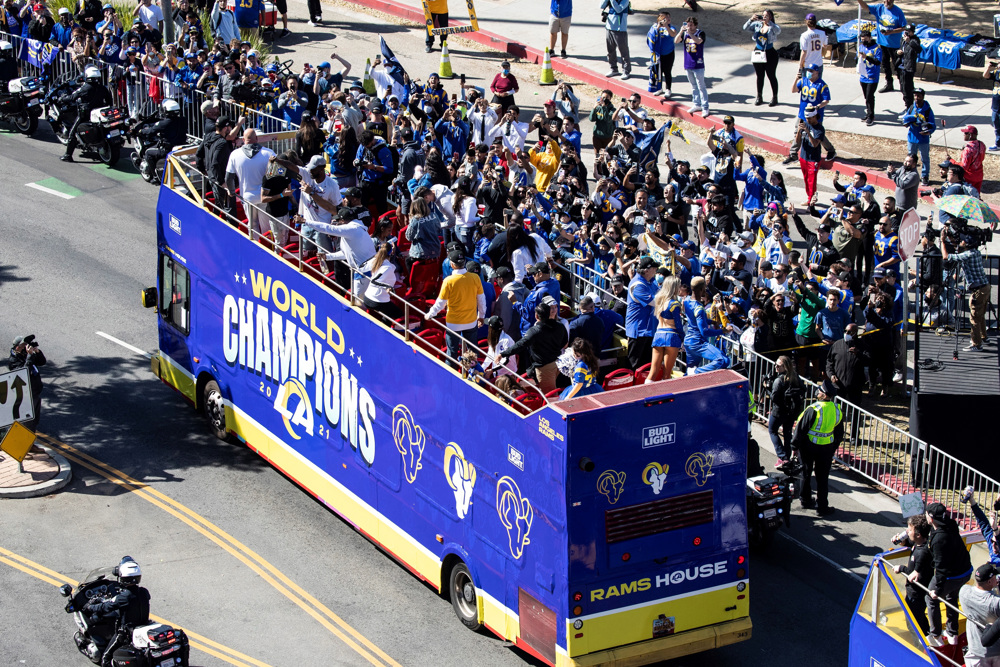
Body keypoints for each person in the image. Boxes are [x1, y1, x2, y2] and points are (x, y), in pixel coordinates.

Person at [84, 556, 151, 667]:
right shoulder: (144, 592)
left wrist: (91, 607)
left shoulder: (124, 597)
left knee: (105, 658)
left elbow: (106, 607)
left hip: (125, 634)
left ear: (123, 577)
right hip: (142, 629)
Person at [924, 502, 974, 646]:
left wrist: (937, 590)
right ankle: (953, 633)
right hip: (965, 571)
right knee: (952, 597)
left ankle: (936, 635)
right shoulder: (950, 524)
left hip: (952, 575)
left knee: (931, 598)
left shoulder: (939, 540)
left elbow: (941, 568)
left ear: (931, 517)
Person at [791, 378, 842, 515]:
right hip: (826, 449)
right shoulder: (837, 410)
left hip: (808, 447)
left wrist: (794, 447)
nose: (817, 391)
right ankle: (822, 507)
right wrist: (832, 448)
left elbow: (800, 430)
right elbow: (839, 433)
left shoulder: (813, 409)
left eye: (820, 391)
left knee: (806, 474)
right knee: (822, 478)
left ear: (824, 395)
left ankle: (806, 500)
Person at [427, 250, 487, 360]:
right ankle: (476, 375)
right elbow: (481, 300)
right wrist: (481, 316)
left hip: (453, 323)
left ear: (452, 264)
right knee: (473, 352)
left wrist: (430, 314)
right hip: (471, 321)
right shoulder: (475, 278)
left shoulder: (448, 281)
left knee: (452, 353)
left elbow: (440, 303)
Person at [500, 302, 568, 394]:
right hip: (557, 363)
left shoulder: (535, 331)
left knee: (550, 395)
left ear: (536, 316)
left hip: (545, 368)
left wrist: (502, 354)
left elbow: (520, 345)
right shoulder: (560, 326)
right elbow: (564, 344)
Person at [940, 227, 989, 351]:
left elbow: (946, 257)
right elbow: (961, 251)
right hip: (985, 287)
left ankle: (976, 344)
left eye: (963, 241)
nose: (961, 242)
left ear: (967, 244)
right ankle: (983, 336)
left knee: (974, 318)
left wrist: (942, 241)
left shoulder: (967, 255)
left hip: (978, 290)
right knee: (981, 314)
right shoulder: (976, 252)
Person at [226, 129, 276, 238]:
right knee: (267, 227)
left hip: (247, 196)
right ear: (256, 138)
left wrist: (231, 191)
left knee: (252, 225)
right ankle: (268, 248)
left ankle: (255, 249)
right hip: (265, 195)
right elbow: (277, 175)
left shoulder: (234, 154)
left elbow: (228, 177)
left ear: (243, 140)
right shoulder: (268, 153)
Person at [892, 515, 933, 637]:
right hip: (916, 592)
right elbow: (910, 542)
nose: (907, 532)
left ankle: (921, 641)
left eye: (909, 530)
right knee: (918, 617)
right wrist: (901, 540)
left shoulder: (922, 553)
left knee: (914, 621)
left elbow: (912, 573)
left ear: (918, 534)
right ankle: (926, 634)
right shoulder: (921, 544)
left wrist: (900, 568)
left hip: (916, 593)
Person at [60, 65, 112, 162]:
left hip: (86, 114)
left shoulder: (85, 88)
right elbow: (110, 100)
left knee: (72, 133)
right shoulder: (103, 88)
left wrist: (63, 98)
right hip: (100, 114)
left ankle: (68, 155)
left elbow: (72, 97)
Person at [683, 276, 731, 374]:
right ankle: (697, 373)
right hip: (698, 342)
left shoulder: (687, 300)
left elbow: (693, 319)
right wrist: (724, 330)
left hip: (689, 341)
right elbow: (704, 332)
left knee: (689, 370)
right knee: (723, 360)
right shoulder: (699, 309)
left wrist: (710, 321)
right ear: (701, 289)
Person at [857, 0, 905, 93]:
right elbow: (866, 7)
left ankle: (903, 86)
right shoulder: (879, 8)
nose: (887, 1)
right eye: (886, 0)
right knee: (885, 65)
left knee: (897, 66)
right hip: (882, 43)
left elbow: (903, 27)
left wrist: (891, 32)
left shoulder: (898, 11)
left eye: (889, 0)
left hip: (894, 44)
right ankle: (889, 84)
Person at [960, 563, 1000, 665]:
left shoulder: (964, 592)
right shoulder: (995, 603)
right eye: (996, 578)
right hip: (997, 650)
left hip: (976, 650)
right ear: (990, 581)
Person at [768, 354, 803, 466]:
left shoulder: (779, 381)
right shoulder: (796, 377)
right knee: (787, 434)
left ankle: (782, 456)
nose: (776, 368)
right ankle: (787, 457)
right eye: (775, 365)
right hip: (791, 412)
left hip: (779, 412)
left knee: (772, 430)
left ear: (785, 367)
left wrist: (767, 388)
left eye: (778, 366)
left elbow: (774, 397)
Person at [648, 275, 684, 382]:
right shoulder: (675, 304)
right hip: (671, 337)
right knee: (667, 375)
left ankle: (644, 393)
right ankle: (665, 398)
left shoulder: (659, 301)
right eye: (678, 286)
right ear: (674, 287)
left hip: (658, 335)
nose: (680, 288)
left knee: (652, 373)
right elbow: (678, 324)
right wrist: (683, 338)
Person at [626, 256, 658, 369]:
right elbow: (657, 302)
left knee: (647, 366)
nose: (656, 270)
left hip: (648, 330)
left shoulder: (650, 282)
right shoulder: (637, 285)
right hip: (638, 331)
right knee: (635, 366)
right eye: (654, 268)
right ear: (647, 270)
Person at [743, 10, 781, 107]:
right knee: (760, 76)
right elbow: (745, 28)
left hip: (770, 53)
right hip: (758, 52)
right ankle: (759, 96)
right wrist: (751, 19)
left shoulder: (772, 27)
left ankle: (775, 97)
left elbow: (778, 30)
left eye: (766, 16)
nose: (764, 17)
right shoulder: (757, 25)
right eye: (763, 15)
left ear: (771, 17)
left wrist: (770, 23)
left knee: (771, 76)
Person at [8, 334, 45, 431]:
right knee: (28, 422)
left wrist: (37, 352)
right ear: (17, 347)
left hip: (35, 393)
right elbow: (24, 373)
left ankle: (31, 443)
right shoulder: (13, 360)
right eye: (23, 345)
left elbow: (42, 362)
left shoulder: (25, 355)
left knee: (35, 420)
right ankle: (26, 445)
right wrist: (29, 356)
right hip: (26, 396)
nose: (26, 346)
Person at [825, 322, 868, 404]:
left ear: (855, 333)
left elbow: (869, 361)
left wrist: (858, 353)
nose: (846, 334)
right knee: (836, 408)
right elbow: (829, 362)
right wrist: (831, 375)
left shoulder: (862, 345)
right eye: (845, 331)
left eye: (849, 332)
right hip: (838, 384)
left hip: (855, 385)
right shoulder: (837, 345)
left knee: (855, 408)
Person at [901, 88, 935, 185]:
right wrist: (906, 123)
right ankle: (911, 174)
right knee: (911, 158)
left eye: (919, 96)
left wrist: (928, 132)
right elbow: (905, 120)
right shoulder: (911, 108)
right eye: (915, 95)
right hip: (912, 138)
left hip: (923, 139)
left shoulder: (927, 110)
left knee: (925, 158)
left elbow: (933, 125)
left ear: (923, 97)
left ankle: (924, 176)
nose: (916, 98)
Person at [677, 16, 708, 117]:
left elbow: (698, 41)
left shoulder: (700, 33)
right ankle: (696, 104)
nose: (689, 27)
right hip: (688, 64)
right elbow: (676, 41)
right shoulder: (685, 33)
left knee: (701, 86)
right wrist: (681, 32)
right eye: (687, 25)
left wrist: (689, 33)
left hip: (698, 65)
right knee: (693, 86)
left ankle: (705, 107)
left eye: (691, 25)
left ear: (695, 25)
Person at [796, 107, 825, 205]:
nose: (808, 120)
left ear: (815, 116)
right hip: (804, 157)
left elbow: (815, 144)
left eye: (810, 118)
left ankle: (811, 201)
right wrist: (799, 131)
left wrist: (807, 131)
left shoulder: (819, 129)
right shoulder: (805, 124)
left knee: (812, 182)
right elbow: (797, 141)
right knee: (806, 179)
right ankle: (809, 198)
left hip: (813, 159)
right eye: (806, 118)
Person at [946, 125, 986, 195]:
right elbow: (981, 158)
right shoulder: (981, 144)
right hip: (979, 175)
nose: (963, 135)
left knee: (968, 195)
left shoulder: (968, 149)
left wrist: (951, 160)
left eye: (965, 133)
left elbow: (964, 167)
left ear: (970, 135)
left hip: (969, 177)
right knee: (976, 195)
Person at [646, 12, 677, 98]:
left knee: (667, 71)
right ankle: (659, 88)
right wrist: (658, 27)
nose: (668, 19)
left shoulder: (671, 27)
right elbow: (651, 37)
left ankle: (668, 89)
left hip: (669, 54)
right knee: (658, 72)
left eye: (669, 17)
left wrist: (666, 26)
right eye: (666, 18)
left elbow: (673, 34)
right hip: (658, 55)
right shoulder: (655, 28)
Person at [857, 29, 882, 126]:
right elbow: (858, 60)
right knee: (866, 97)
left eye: (866, 39)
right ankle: (868, 113)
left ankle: (871, 116)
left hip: (872, 77)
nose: (864, 41)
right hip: (863, 76)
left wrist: (866, 57)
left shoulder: (876, 49)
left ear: (870, 38)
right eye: (862, 39)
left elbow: (878, 62)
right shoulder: (861, 47)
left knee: (869, 96)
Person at [601, 0, 631, 80]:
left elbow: (618, 9)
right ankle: (613, 69)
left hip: (620, 29)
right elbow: (601, 6)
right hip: (609, 27)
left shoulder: (625, 1)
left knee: (623, 51)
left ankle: (626, 71)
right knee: (610, 51)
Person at [898, 23, 920, 110]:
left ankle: (909, 107)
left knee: (908, 88)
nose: (906, 33)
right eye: (905, 31)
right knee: (902, 88)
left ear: (912, 32)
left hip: (909, 67)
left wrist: (909, 41)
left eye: (909, 32)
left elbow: (918, 49)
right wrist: (898, 52)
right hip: (901, 66)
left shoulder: (915, 40)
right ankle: (907, 105)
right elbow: (901, 49)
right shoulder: (902, 39)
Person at [797, 12, 826, 79]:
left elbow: (804, 52)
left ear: (806, 23)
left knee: (806, 85)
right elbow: (825, 46)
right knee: (818, 85)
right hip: (818, 64)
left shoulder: (804, 35)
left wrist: (800, 64)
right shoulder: (822, 33)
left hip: (808, 65)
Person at [984, 59, 1000, 152]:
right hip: (996, 104)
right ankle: (998, 144)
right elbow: (985, 76)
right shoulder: (996, 72)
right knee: (996, 125)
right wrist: (988, 68)